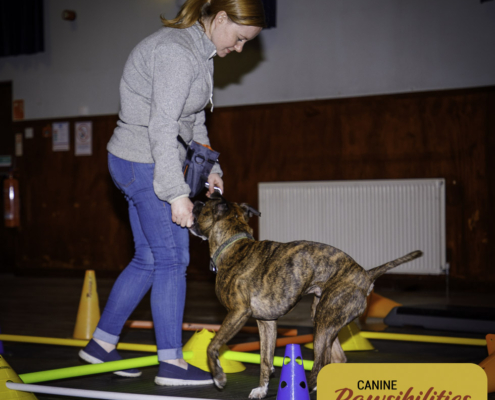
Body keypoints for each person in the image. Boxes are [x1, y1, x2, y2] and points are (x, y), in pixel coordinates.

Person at [78, 0, 265, 386]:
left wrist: (211, 166)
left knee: (149, 258)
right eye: (241, 38)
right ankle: (171, 364)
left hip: (140, 161)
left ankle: (100, 346)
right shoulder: (176, 53)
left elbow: (193, 118)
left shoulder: (201, 51)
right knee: (172, 259)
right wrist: (176, 192)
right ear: (221, 19)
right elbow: (161, 128)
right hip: (143, 162)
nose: (241, 48)